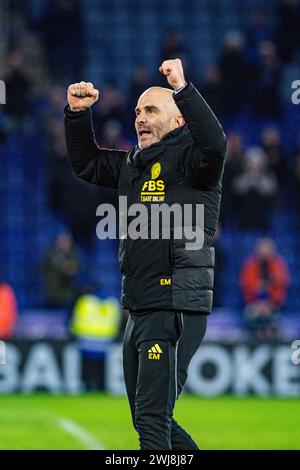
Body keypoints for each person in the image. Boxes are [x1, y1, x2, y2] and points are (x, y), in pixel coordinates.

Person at [64, 58, 227, 450]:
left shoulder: (195, 164)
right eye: (137, 111)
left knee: (152, 420)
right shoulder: (133, 166)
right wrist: (76, 114)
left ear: (177, 121)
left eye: (151, 110)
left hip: (175, 302)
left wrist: (183, 89)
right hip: (139, 304)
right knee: (149, 418)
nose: (140, 117)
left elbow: (216, 143)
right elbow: (86, 164)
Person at [240, 238, 290, 339]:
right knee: (249, 316)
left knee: (275, 319)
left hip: (273, 306)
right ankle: (251, 342)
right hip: (253, 305)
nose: (264, 255)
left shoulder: (279, 265)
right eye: (262, 252)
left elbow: (280, 287)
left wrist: (269, 305)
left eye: (267, 252)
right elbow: (247, 287)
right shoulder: (250, 265)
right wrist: (258, 305)